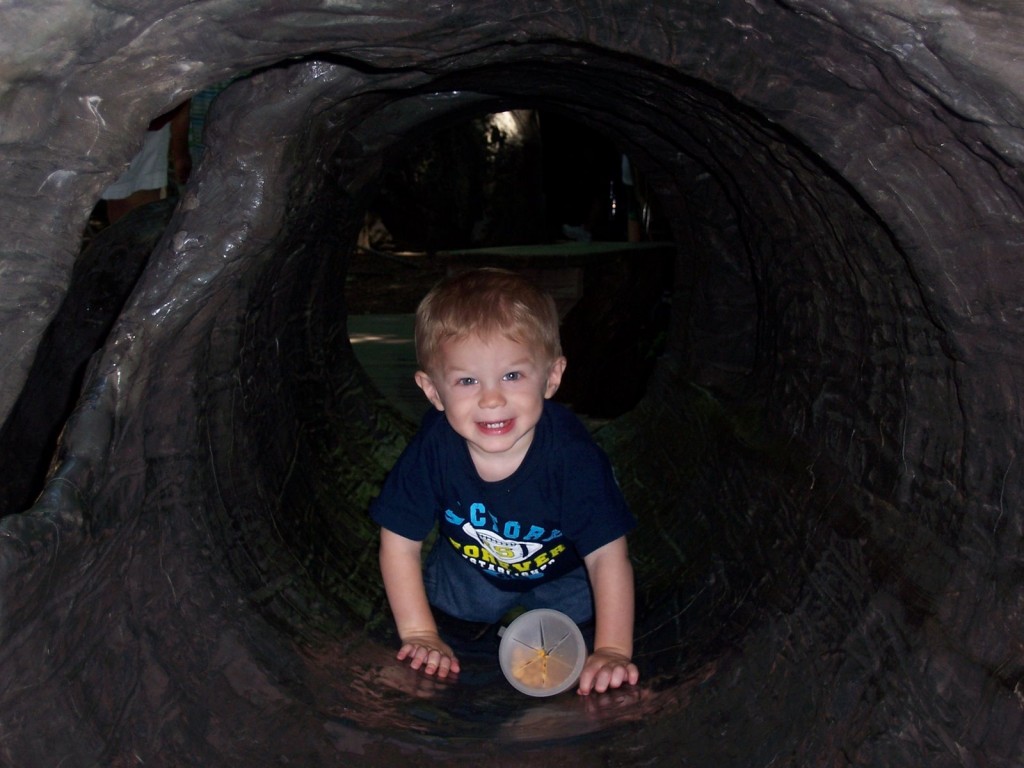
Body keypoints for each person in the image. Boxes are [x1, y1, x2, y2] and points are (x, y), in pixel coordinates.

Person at [370, 267, 640, 695]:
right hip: (471, 566)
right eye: (467, 380)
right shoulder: (435, 448)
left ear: (551, 377)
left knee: (582, 621)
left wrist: (612, 649)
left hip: (562, 568)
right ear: (433, 391)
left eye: (512, 376)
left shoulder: (573, 458)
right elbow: (399, 542)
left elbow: (607, 557)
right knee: (451, 614)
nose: (491, 398)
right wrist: (419, 633)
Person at [102, 100, 191, 223]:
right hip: (117, 119)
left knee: (145, 193)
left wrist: (180, 154)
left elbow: (183, 98)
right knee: (122, 195)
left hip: (156, 117)